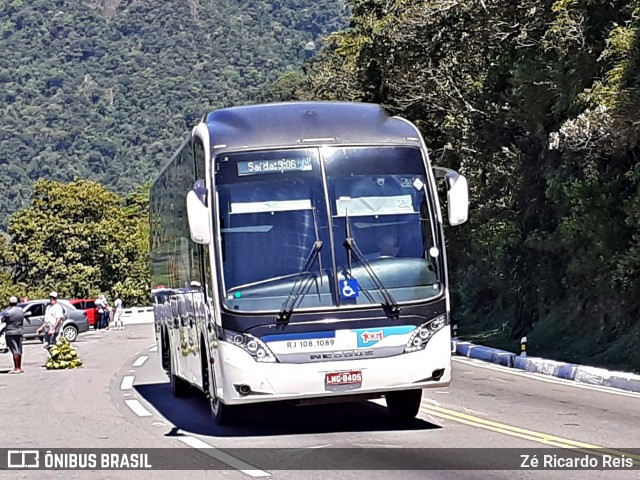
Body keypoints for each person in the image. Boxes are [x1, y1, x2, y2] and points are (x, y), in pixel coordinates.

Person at [0, 296, 25, 373]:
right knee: (19, 349)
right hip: (19, 331)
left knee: (14, 350)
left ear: (10, 303)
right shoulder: (21, 310)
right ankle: (20, 367)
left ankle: (16, 368)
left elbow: (2, 319)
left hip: (11, 332)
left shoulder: (8, 312)